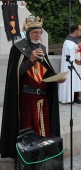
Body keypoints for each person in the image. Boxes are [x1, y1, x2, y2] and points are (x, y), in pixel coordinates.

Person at [0, 16, 66, 160]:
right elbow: (14, 75)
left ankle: (44, 158)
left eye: (40, 32)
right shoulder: (17, 48)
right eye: (35, 32)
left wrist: (56, 78)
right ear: (28, 32)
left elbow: (46, 72)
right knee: (27, 131)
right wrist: (30, 60)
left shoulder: (41, 48)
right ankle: (28, 159)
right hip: (26, 98)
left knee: (44, 130)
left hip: (42, 98)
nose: (38, 35)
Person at [59, 24, 81, 104]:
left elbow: (79, 50)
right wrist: (79, 45)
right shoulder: (67, 41)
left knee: (78, 81)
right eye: (80, 30)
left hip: (79, 64)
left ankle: (76, 96)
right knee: (71, 80)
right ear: (75, 31)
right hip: (72, 64)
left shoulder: (77, 40)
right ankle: (69, 98)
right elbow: (70, 50)